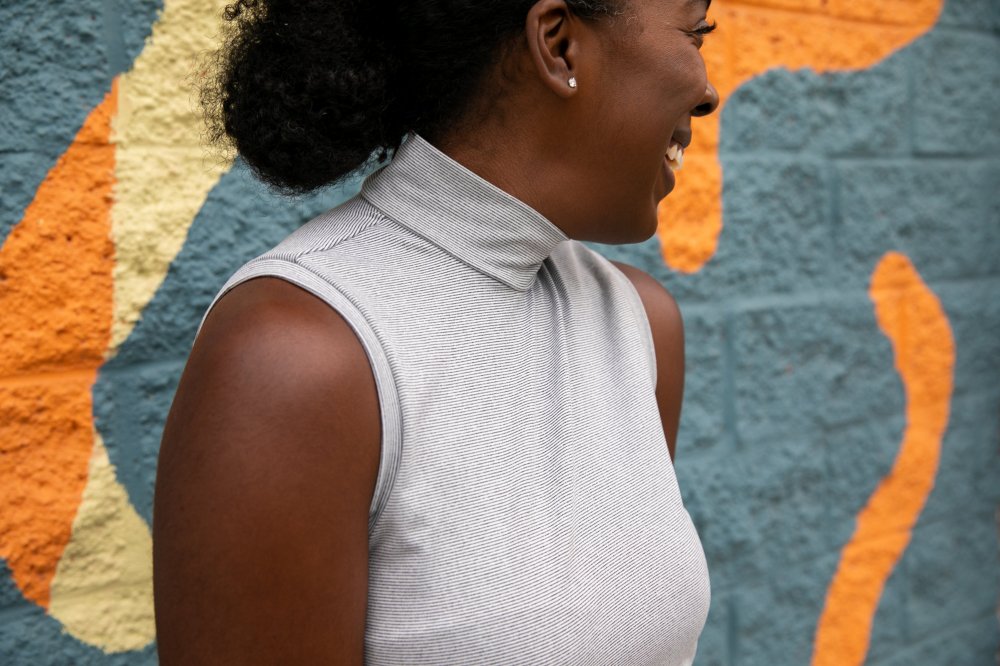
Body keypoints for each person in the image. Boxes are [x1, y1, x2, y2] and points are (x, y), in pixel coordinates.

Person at [153, 0, 720, 663]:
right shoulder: (297, 359)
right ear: (559, 43)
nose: (708, 92)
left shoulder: (638, 323)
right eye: (696, 33)